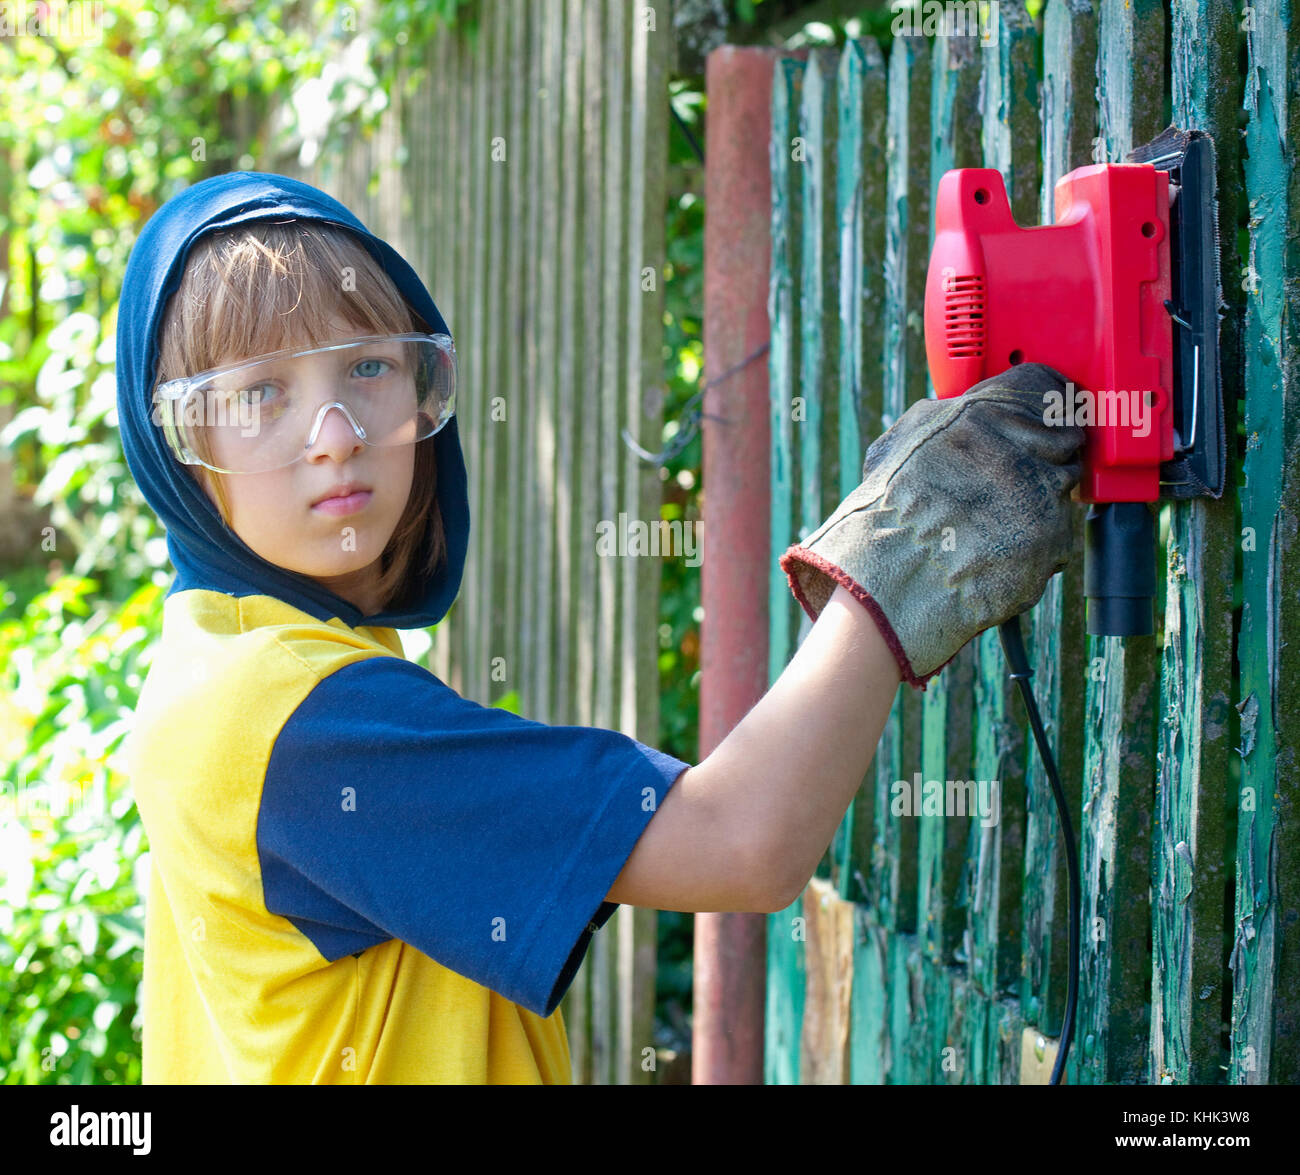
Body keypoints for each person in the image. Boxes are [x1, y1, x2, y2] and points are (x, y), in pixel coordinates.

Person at [117, 170, 1081, 1085]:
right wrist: (910, 542)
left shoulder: (216, 662)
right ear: (178, 451)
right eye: (260, 393)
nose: (333, 431)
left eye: (370, 366)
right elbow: (745, 842)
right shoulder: (295, 717)